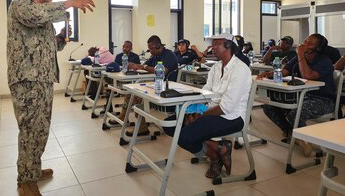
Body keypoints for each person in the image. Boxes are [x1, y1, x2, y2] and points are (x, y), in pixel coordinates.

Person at [7, 0, 95, 195]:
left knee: (41, 129)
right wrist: (70, 3)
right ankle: (26, 181)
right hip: (27, 80)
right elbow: (35, 15)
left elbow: (49, 46)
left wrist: (62, 37)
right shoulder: (20, 5)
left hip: (43, 80)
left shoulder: (44, 18)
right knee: (30, 129)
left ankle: (33, 170)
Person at [163, 33, 252, 179]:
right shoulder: (216, 67)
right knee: (169, 124)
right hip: (210, 111)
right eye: (213, 44)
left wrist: (200, 116)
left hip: (231, 117)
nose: (213, 47)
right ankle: (218, 149)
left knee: (185, 135)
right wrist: (195, 111)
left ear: (229, 46)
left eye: (217, 44)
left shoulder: (240, 70)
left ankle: (214, 157)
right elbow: (205, 93)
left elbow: (226, 107)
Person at [257, 33, 335, 157]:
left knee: (295, 113)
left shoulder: (324, 61)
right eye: (305, 40)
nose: (305, 44)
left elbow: (308, 76)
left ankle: (306, 140)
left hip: (322, 100)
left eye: (310, 43)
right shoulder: (300, 57)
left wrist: (299, 54)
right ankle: (291, 133)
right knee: (269, 106)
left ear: (318, 48)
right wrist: (270, 74)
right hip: (301, 96)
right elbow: (285, 71)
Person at [124, 35, 178, 136]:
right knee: (131, 94)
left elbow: (163, 70)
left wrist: (144, 66)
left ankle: (142, 128)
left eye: (151, 48)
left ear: (158, 46)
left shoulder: (168, 54)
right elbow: (146, 65)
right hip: (156, 85)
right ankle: (127, 120)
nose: (150, 51)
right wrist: (136, 66)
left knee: (136, 96)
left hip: (168, 88)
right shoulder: (155, 55)